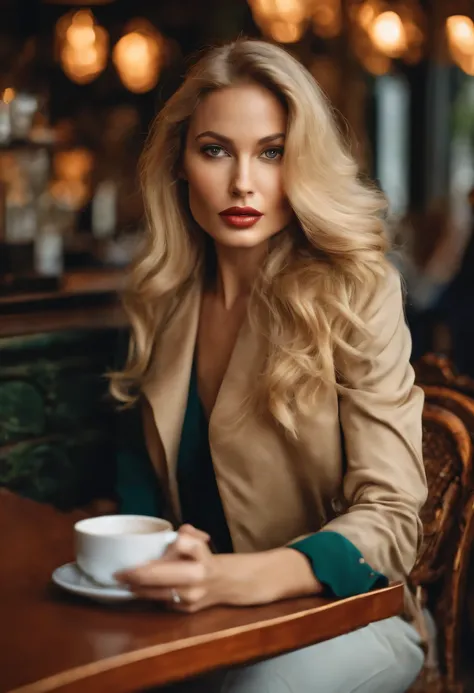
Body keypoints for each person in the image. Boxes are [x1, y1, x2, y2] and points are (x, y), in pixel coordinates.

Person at [109, 39, 428, 693]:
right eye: (216, 149)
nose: (243, 182)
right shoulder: (166, 298)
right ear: (180, 163)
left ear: (301, 162)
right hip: (201, 618)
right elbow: (141, 483)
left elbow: (393, 518)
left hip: (346, 615)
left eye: (272, 151)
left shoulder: (357, 291)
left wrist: (230, 577)